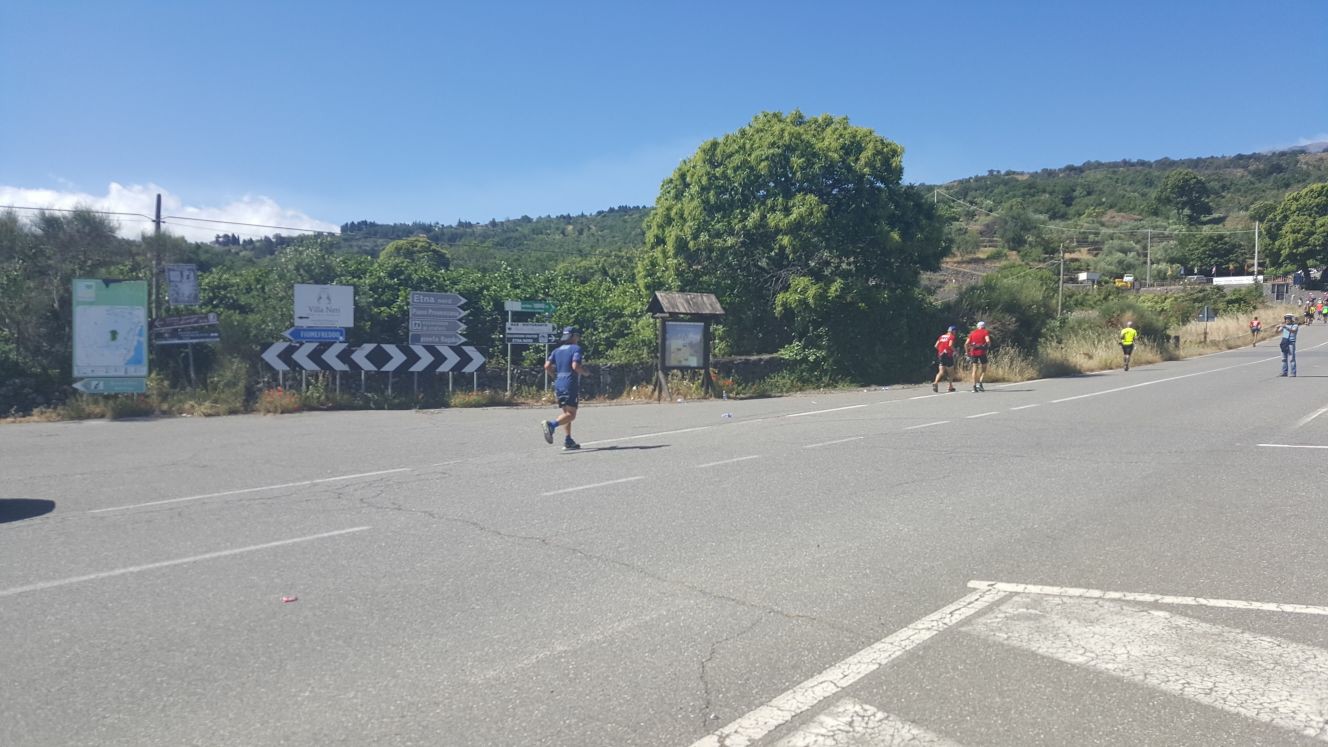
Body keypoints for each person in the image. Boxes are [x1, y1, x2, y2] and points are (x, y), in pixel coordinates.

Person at [540, 326, 586, 450]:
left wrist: (554, 376)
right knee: (571, 414)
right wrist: (586, 373)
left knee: (566, 413)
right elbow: (575, 366)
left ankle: (568, 440)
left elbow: (547, 366)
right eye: (578, 335)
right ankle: (551, 425)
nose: (579, 338)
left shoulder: (557, 350)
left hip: (559, 382)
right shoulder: (576, 348)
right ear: (574, 336)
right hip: (570, 383)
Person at [966, 321, 992, 392]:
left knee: (974, 369)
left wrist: (967, 352)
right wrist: (988, 346)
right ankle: (980, 383)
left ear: (977, 326)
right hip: (982, 352)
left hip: (973, 352)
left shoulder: (972, 333)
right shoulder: (985, 332)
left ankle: (974, 386)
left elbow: (966, 343)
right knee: (984, 368)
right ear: (984, 326)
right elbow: (988, 341)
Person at [933, 325, 958, 393]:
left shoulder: (942, 336)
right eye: (955, 331)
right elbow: (950, 345)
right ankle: (950, 386)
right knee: (951, 371)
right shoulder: (951, 337)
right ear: (953, 331)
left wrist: (941, 350)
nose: (955, 332)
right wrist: (955, 351)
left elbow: (936, 345)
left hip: (941, 355)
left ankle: (935, 382)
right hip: (948, 355)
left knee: (941, 371)